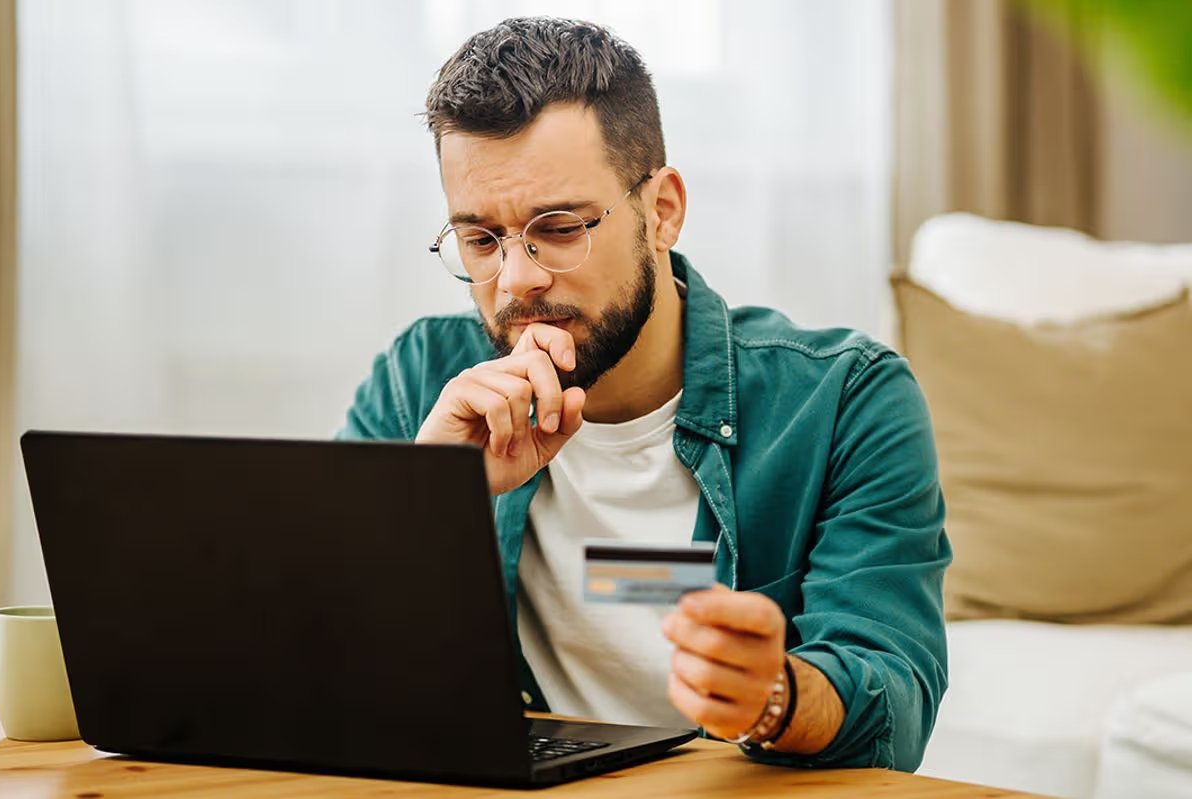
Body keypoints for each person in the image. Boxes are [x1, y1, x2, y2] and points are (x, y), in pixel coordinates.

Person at [339, 16, 949, 771]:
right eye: (480, 240)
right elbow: (319, 670)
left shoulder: (845, 399)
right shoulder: (416, 380)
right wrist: (429, 503)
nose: (518, 278)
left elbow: (894, 698)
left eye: (557, 227)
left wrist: (774, 695)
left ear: (661, 211)